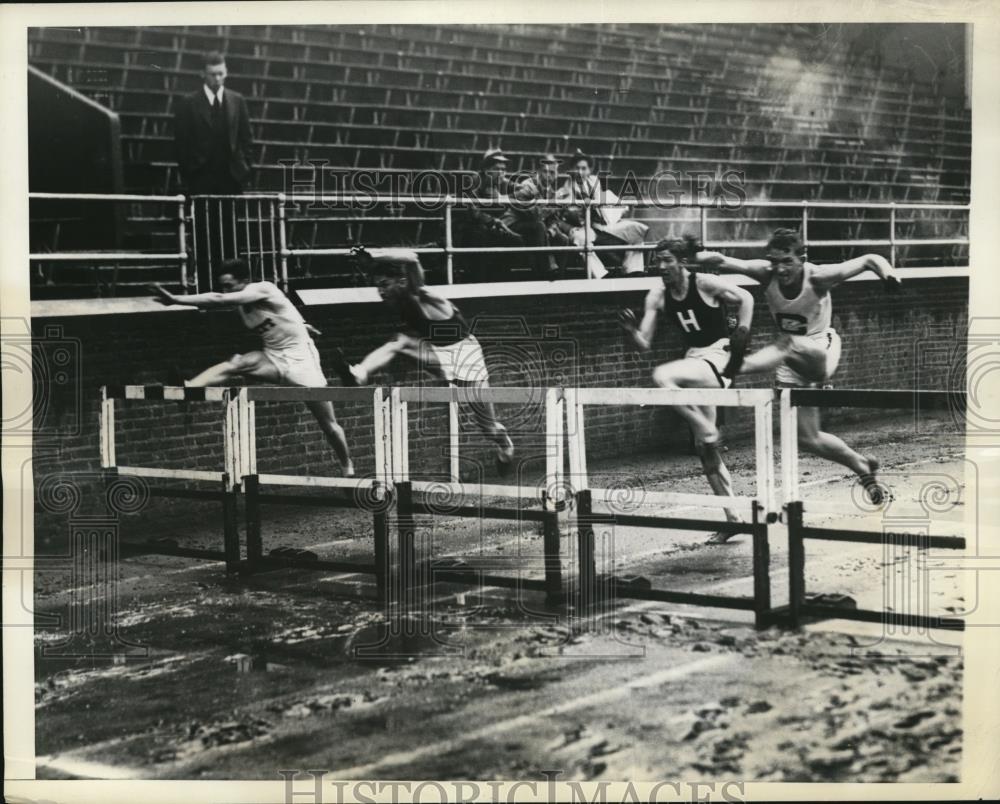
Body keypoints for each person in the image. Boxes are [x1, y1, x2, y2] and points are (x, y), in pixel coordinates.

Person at [695, 228, 903, 504]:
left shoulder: (818, 278)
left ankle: (733, 367)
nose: (780, 269)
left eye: (787, 262)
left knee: (787, 342)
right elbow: (721, 261)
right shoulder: (766, 273)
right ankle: (863, 467)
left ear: (802, 258)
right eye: (775, 261)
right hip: (788, 359)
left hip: (820, 351)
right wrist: (689, 254)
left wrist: (889, 274)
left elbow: (869, 259)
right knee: (808, 438)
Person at [147, 258, 354, 477]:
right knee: (238, 362)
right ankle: (189, 388)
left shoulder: (263, 288)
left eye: (229, 286)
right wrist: (302, 324)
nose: (225, 291)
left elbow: (218, 299)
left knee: (328, 424)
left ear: (245, 281)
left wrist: (175, 299)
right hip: (273, 358)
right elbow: (284, 313)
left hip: (303, 363)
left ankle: (347, 467)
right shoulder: (243, 307)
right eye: (223, 286)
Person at [618, 236, 754, 543]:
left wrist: (742, 334)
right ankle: (733, 519)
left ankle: (707, 426)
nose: (661, 266)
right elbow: (644, 343)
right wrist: (630, 331)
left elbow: (746, 298)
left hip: (719, 357)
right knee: (705, 451)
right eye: (658, 260)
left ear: (681, 262)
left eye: (667, 260)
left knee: (662, 376)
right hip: (695, 361)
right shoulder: (657, 295)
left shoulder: (704, 283)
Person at [330, 248, 515, 472]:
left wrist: (376, 256)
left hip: (467, 358)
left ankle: (505, 447)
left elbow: (411, 257)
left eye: (385, 285)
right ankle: (358, 374)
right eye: (377, 286)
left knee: (488, 428)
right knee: (398, 341)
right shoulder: (401, 301)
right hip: (438, 353)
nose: (381, 292)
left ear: (401, 281)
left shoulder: (421, 293)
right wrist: (369, 264)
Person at [173, 51, 255, 291]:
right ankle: (208, 285)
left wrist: (244, 168)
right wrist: (191, 172)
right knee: (204, 234)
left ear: (226, 72)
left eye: (221, 74)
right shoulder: (188, 103)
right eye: (212, 74)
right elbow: (181, 143)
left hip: (231, 178)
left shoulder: (237, 100)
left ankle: (233, 288)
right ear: (203, 74)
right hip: (202, 178)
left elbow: (246, 139)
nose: (217, 79)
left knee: (232, 233)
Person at [454, 149, 550, 281]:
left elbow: (527, 189)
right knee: (483, 235)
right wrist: (493, 221)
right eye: (497, 169)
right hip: (476, 228)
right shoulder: (474, 181)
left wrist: (507, 197)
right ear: (486, 169)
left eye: (503, 169)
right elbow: (473, 213)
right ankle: (483, 280)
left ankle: (543, 275)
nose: (501, 173)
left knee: (537, 226)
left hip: (500, 226)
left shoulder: (502, 181)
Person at [556, 149, 649, 276]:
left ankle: (633, 271)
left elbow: (608, 205)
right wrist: (570, 228)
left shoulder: (596, 183)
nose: (580, 172)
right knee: (580, 238)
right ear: (571, 169)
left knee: (636, 231)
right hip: (585, 229)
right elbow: (558, 219)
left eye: (584, 168)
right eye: (577, 168)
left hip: (606, 227)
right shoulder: (564, 192)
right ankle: (601, 275)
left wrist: (616, 210)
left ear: (589, 170)